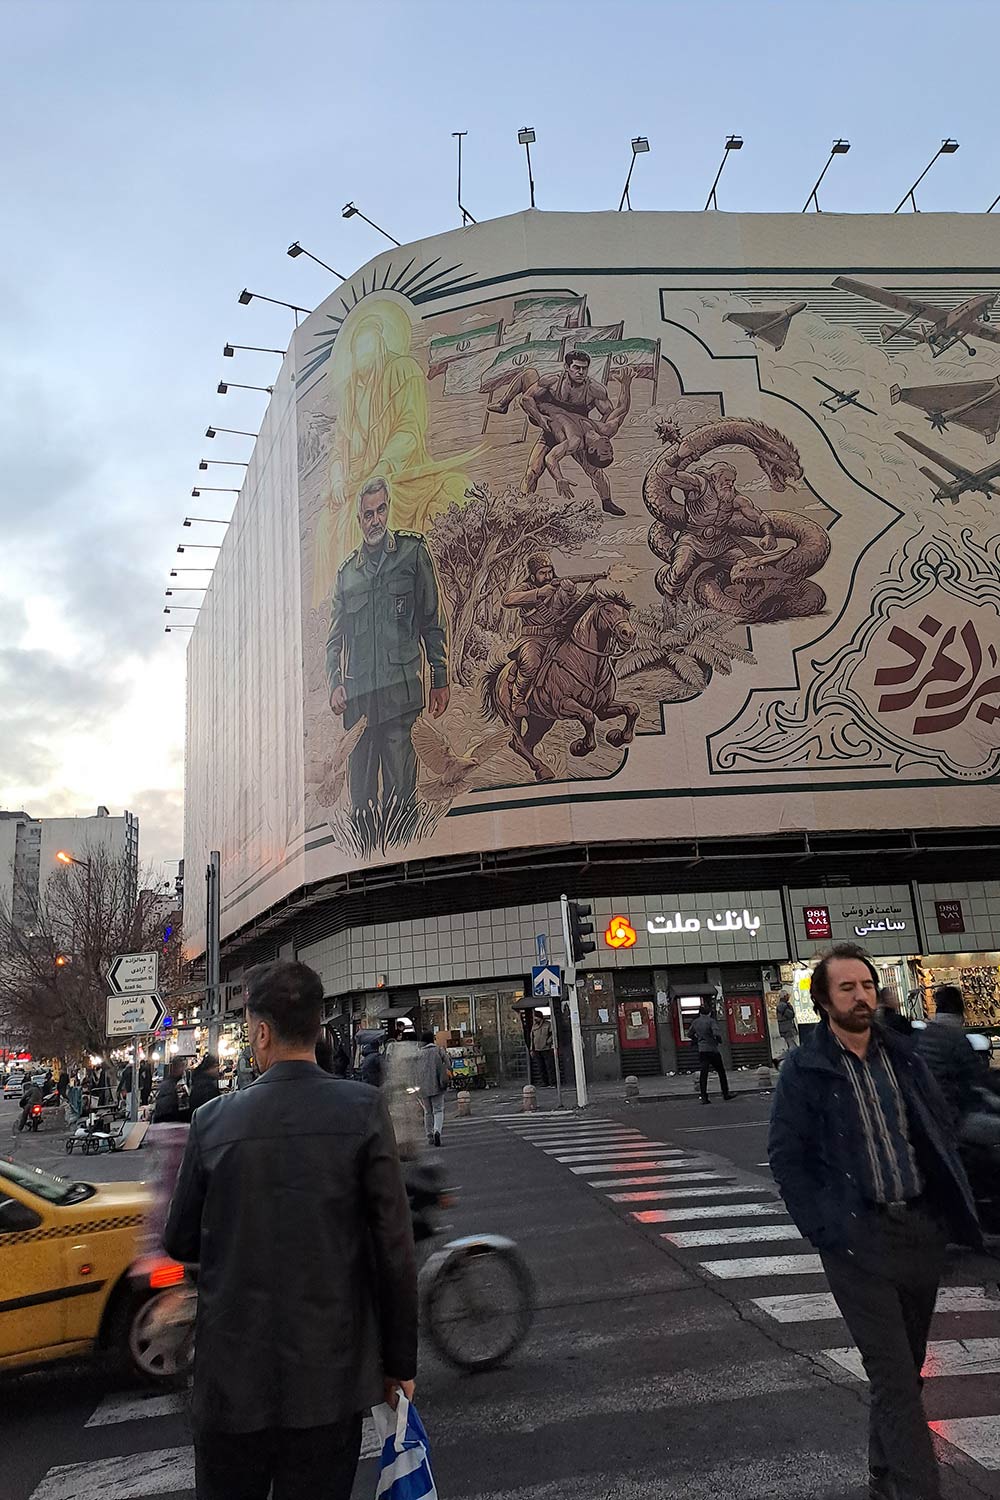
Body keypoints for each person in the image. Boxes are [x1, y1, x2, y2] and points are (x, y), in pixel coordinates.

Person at [164, 959, 417, 1500]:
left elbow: (179, 1240)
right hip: (327, 1386)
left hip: (230, 1383)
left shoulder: (212, 1120)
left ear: (260, 1033)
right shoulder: (364, 1110)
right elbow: (395, 1250)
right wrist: (398, 1364)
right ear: (319, 1030)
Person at [769, 943, 981, 1500]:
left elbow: (937, 1124)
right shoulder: (806, 1069)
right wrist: (826, 1231)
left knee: (905, 1371)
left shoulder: (903, 1055)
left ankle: (883, 1473)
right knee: (894, 1377)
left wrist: (940, 1214)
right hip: (857, 1243)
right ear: (823, 1000)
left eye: (866, 985)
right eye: (847, 988)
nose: (861, 996)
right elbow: (787, 1158)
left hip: (916, 1232)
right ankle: (917, 1489)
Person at [326, 476, 449, 838]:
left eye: (381, 510)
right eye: (368, 514)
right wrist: (334, 684)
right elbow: (334, 640)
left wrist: (440, 676)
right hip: (360, 707)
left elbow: (431, 618)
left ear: (388, 509)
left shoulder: (412, 553)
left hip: (399, 699)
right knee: (362, 803)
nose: (375, 520)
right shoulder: (347, 575)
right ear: (359, 519)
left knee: (401, 801)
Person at [490, 348, 630, 514]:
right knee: (533, 471)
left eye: (584, 368)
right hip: (550, 428)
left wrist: (560, 477)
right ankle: (522, 506)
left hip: (571, 433)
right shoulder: (553, 381)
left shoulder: (594, 391)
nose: (581, 372)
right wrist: (541, 420)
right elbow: (526, 399)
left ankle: (607, 503)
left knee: (595, 472)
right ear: (566, 366)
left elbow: (611, 411)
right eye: (577, 367)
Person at [915, 984, 1000, 1145]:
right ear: (961, 1011)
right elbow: (980, 1077)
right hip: (953, 1117)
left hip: (931, 1112)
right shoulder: (956, 1038)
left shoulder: (924, 1034)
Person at [688, 999, 732, 1103]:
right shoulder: (711, 1021)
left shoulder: (695, 1022)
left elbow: (689, 1034)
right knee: (721, 1072)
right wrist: (718, 1040)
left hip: (702, 1050)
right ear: (709, 1012)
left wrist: (697, 1039)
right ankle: (725, 1093)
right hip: (712, 1050)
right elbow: (716, 1033)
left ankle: (704, 1097)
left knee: (704, 1074)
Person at [417, 1029, 450, 1147]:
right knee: (438, 1110)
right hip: (437, 1084)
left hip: (422, 1086)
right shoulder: (438, 1050)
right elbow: (448, 1063)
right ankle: (437, 1131)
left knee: (427, 1112)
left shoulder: (418, 1053)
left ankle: (429, 1134)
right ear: (433, 1039)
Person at [152, 1057, 190, 1123]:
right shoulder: (169, 1085)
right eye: (182, 1067)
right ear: (176, 1068)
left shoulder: (171, 1083)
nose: (183, 1070)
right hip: (165, 1122)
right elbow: (165, 1110)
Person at [530, 1010, 556, 1087]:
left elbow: (553, 1034)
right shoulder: (534, 1026)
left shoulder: (548, 1024)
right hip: (537, 1049)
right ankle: (545, 1082)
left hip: (546, 1049)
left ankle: (553, 1083)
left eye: (536, 1017)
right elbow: (532, 1038)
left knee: (549, 1066)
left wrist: (549, 1041)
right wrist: (532, 1049)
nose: (535, 1019)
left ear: (540, 1017)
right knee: (541, 1067)